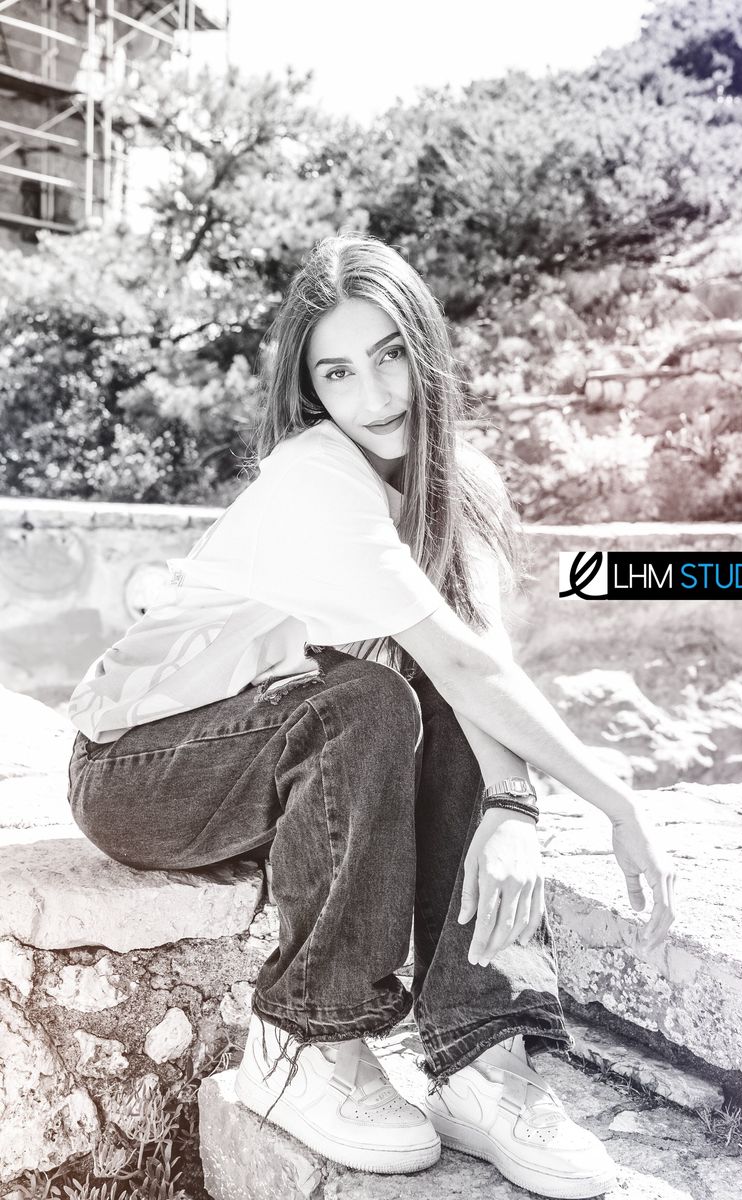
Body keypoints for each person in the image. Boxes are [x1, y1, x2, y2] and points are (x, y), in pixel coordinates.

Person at [67, 230, 676, 1199]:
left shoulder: (458, 486)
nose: (376, 394)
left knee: (415, 695)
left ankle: (478, 1057)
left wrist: (512, 812)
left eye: (390, 355)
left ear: (425, 350)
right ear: (312, 393)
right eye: (339, 372)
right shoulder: (316, 474)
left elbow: (480, 663)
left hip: (268, 746)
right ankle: (304, 1042)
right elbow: (463, 666)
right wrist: (616, 801)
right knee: (368, 699)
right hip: (140, 767)